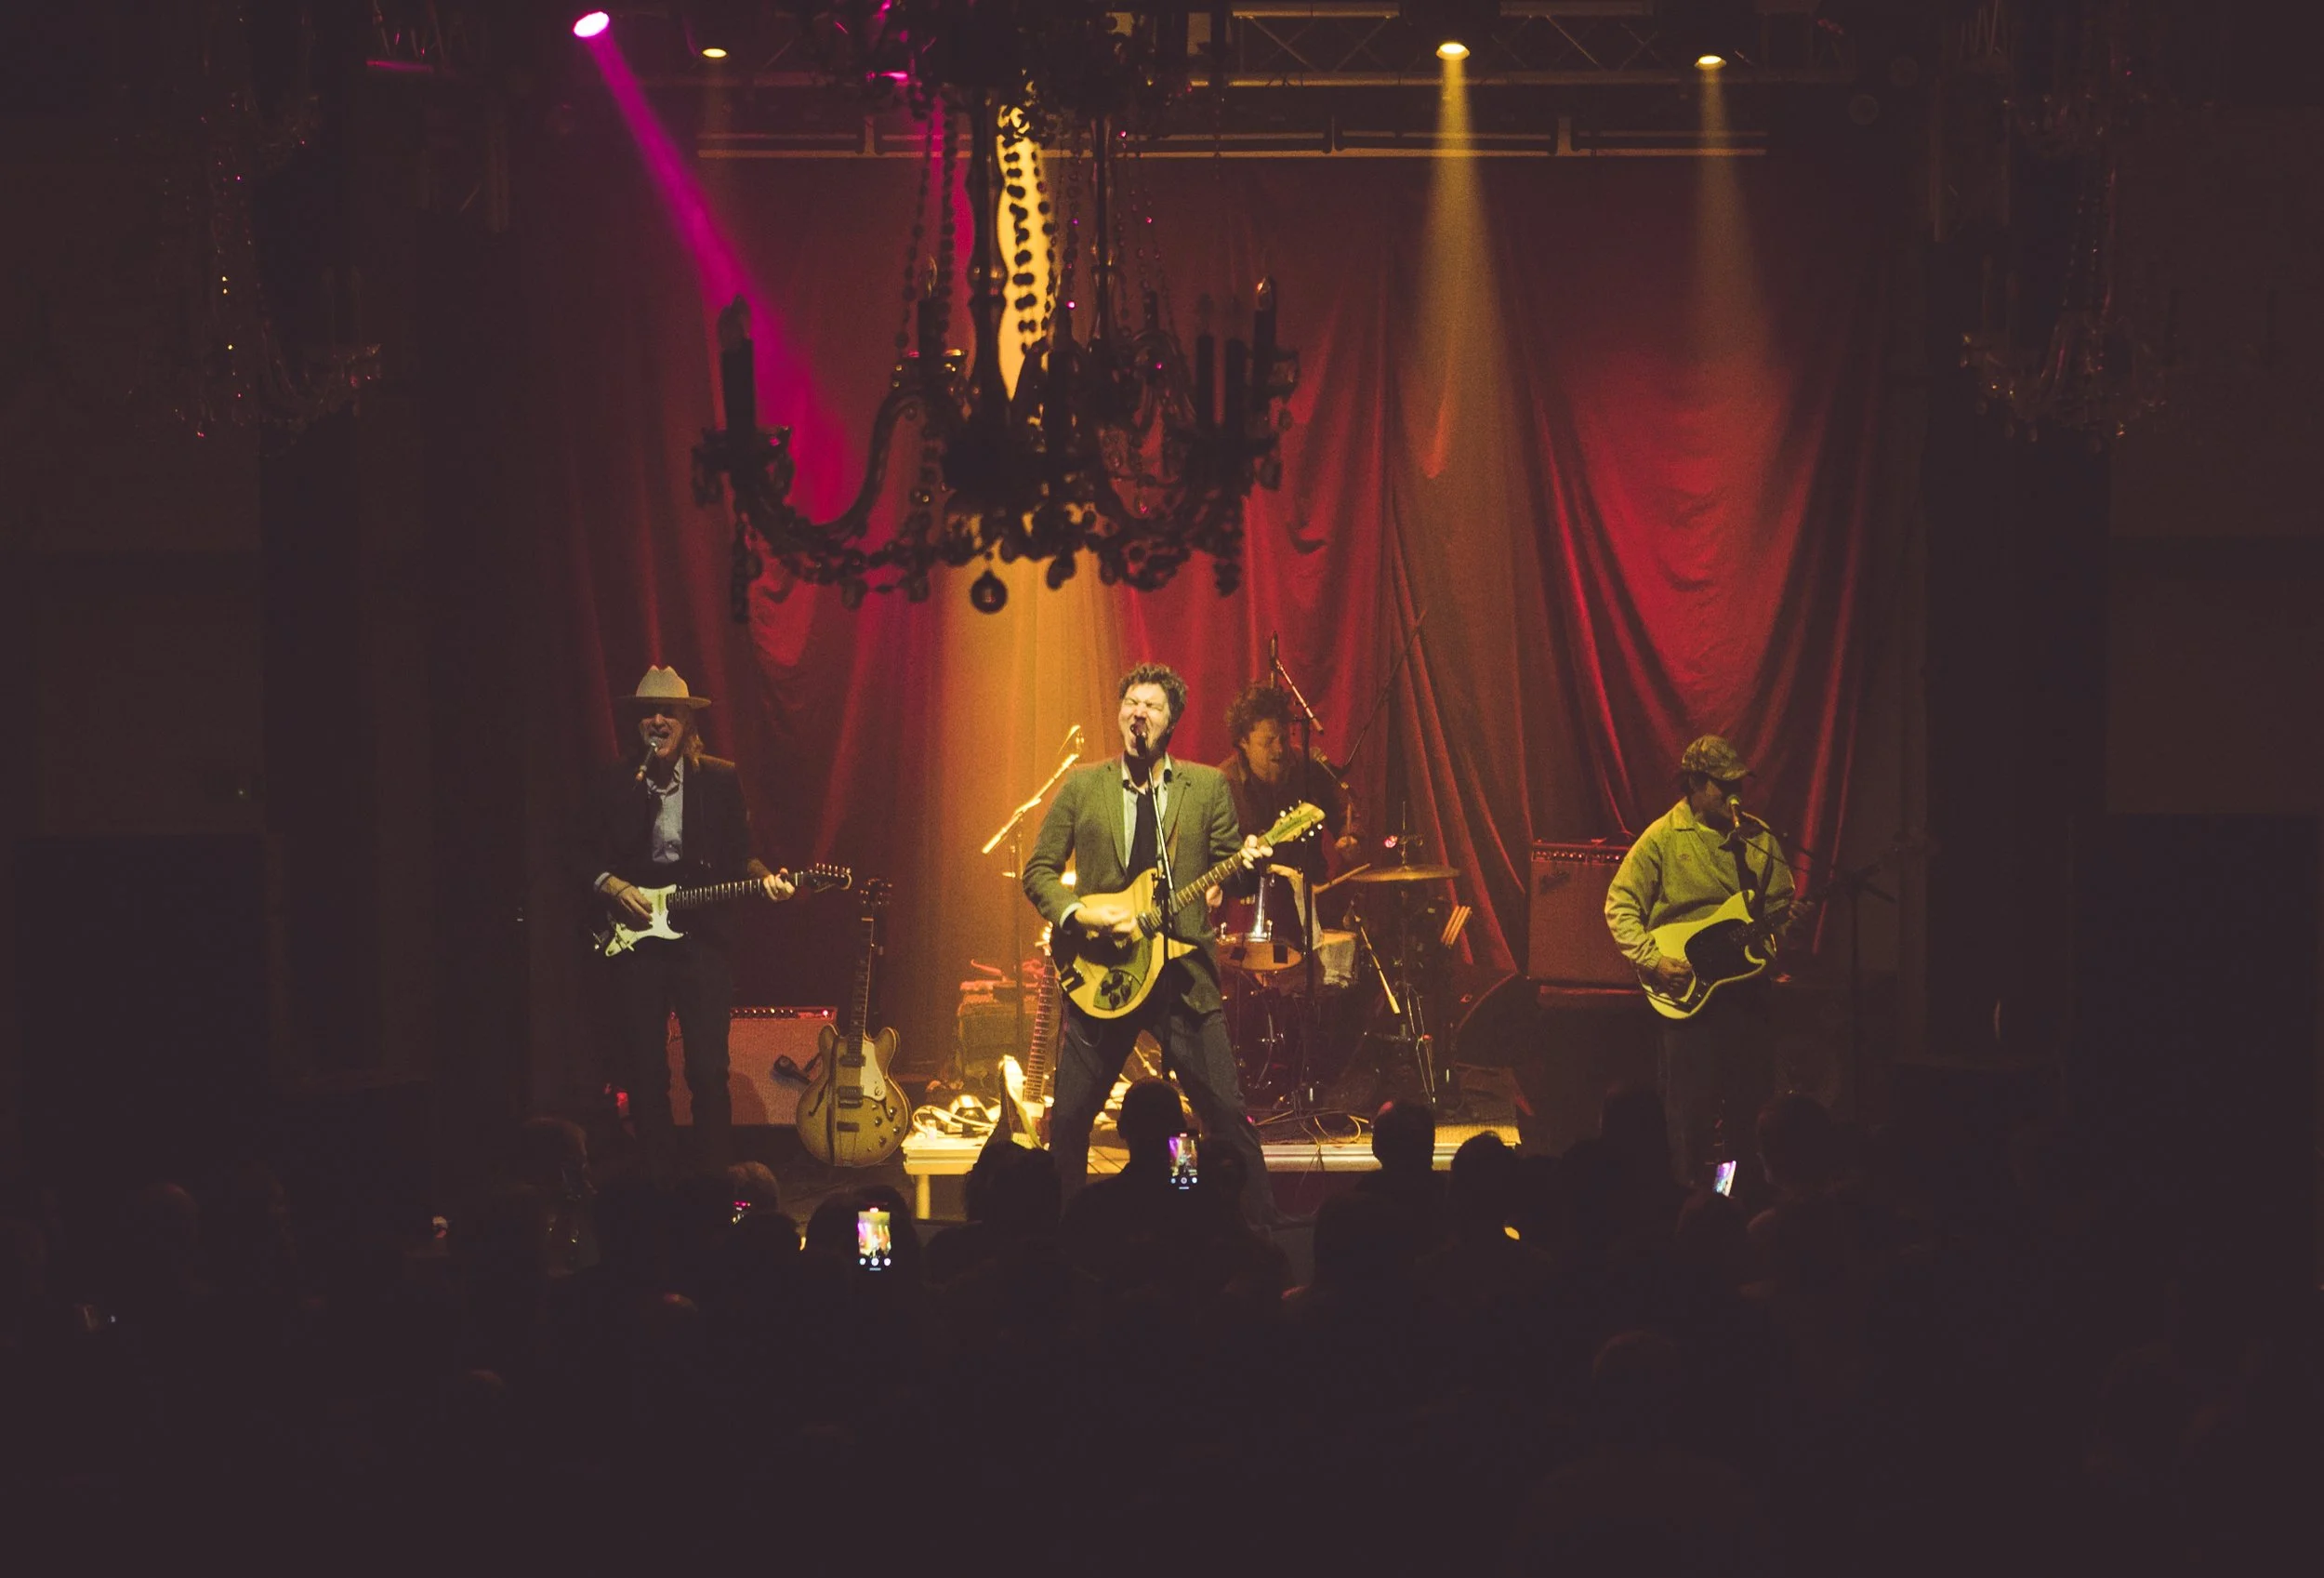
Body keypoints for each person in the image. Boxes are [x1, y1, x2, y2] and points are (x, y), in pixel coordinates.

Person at [1022, 662, 1280, 1227]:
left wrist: (1251, 867)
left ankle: (1259, 1234)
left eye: (1153, 705)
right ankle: (1064, 1242)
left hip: (1181, 976)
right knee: (1067, 1122)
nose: (1139, 712)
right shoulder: (1083, 785)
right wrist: (1076, 911)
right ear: (1120, 714)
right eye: (1131, 703)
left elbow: (1229, 875)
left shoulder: (1205, 786)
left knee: (1227, 1117)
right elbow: (1038, 870)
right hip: (1102, 975)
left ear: (1172, 722)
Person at [584, 666, 794, 1173]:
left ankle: (714, 1179)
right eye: (647, 713)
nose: (656, 721)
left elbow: (741, 855)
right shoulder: (617, 780)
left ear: (686, 721)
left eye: (667, 713)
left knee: (707, 1068)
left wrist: (768, 878)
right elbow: (581, 851)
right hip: (636, 939)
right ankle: (658, 1181)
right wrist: (611, 885)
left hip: (700, 936)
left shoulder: (718, 779)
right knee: (645, 1071)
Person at [1604, 736, 1795, 1198]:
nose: (1734, 795)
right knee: (1689, 1111)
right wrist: (1653, 961)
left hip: (1746, 994)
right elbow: (1619, 905)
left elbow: (1781, 905)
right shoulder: (1663, 838)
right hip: (1686, 994)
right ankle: (1687, 1203)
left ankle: (1744, 1200)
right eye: (1721, 785)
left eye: (1738, 785)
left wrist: (1778, 936)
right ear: (1693, 782)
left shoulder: (1758, 838)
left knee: (1752, 1106)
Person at [1216, 682, 1355, 888]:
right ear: (1243, 742)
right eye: (1268, 742)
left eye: (1283, 738)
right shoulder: (1223, 785)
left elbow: (1344, 810)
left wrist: (1349, 837)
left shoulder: (1308, 766)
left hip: (1312, 893)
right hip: (1251, 900)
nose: (1279, 749)